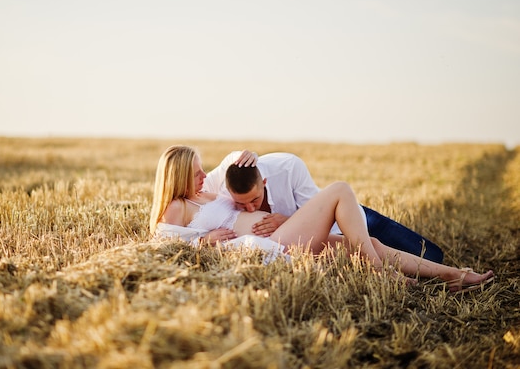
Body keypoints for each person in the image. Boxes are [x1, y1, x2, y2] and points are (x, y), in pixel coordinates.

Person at [149, 145, 495, 293]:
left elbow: (230, 169)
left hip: (284, 231)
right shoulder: (178, 205)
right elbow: (159, 244)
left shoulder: (206, 190)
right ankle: (378, 271)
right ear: (177, 176)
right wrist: (202, 242)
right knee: (341, 189)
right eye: (195, 171)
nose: (203, 174)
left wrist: (247, 157)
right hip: (267, 246)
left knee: (368, 243)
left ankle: (457, 275)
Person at [204, 151, 445, 263]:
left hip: (349, 219)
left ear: (264, 183)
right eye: (239, 203)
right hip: (331, 241)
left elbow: (324, 218)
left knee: (432, 256)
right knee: (397, 261)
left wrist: (286, 220)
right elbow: (191, 185)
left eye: (254, 201)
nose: (248, 209)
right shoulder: (224, 179)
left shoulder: (288, 167)